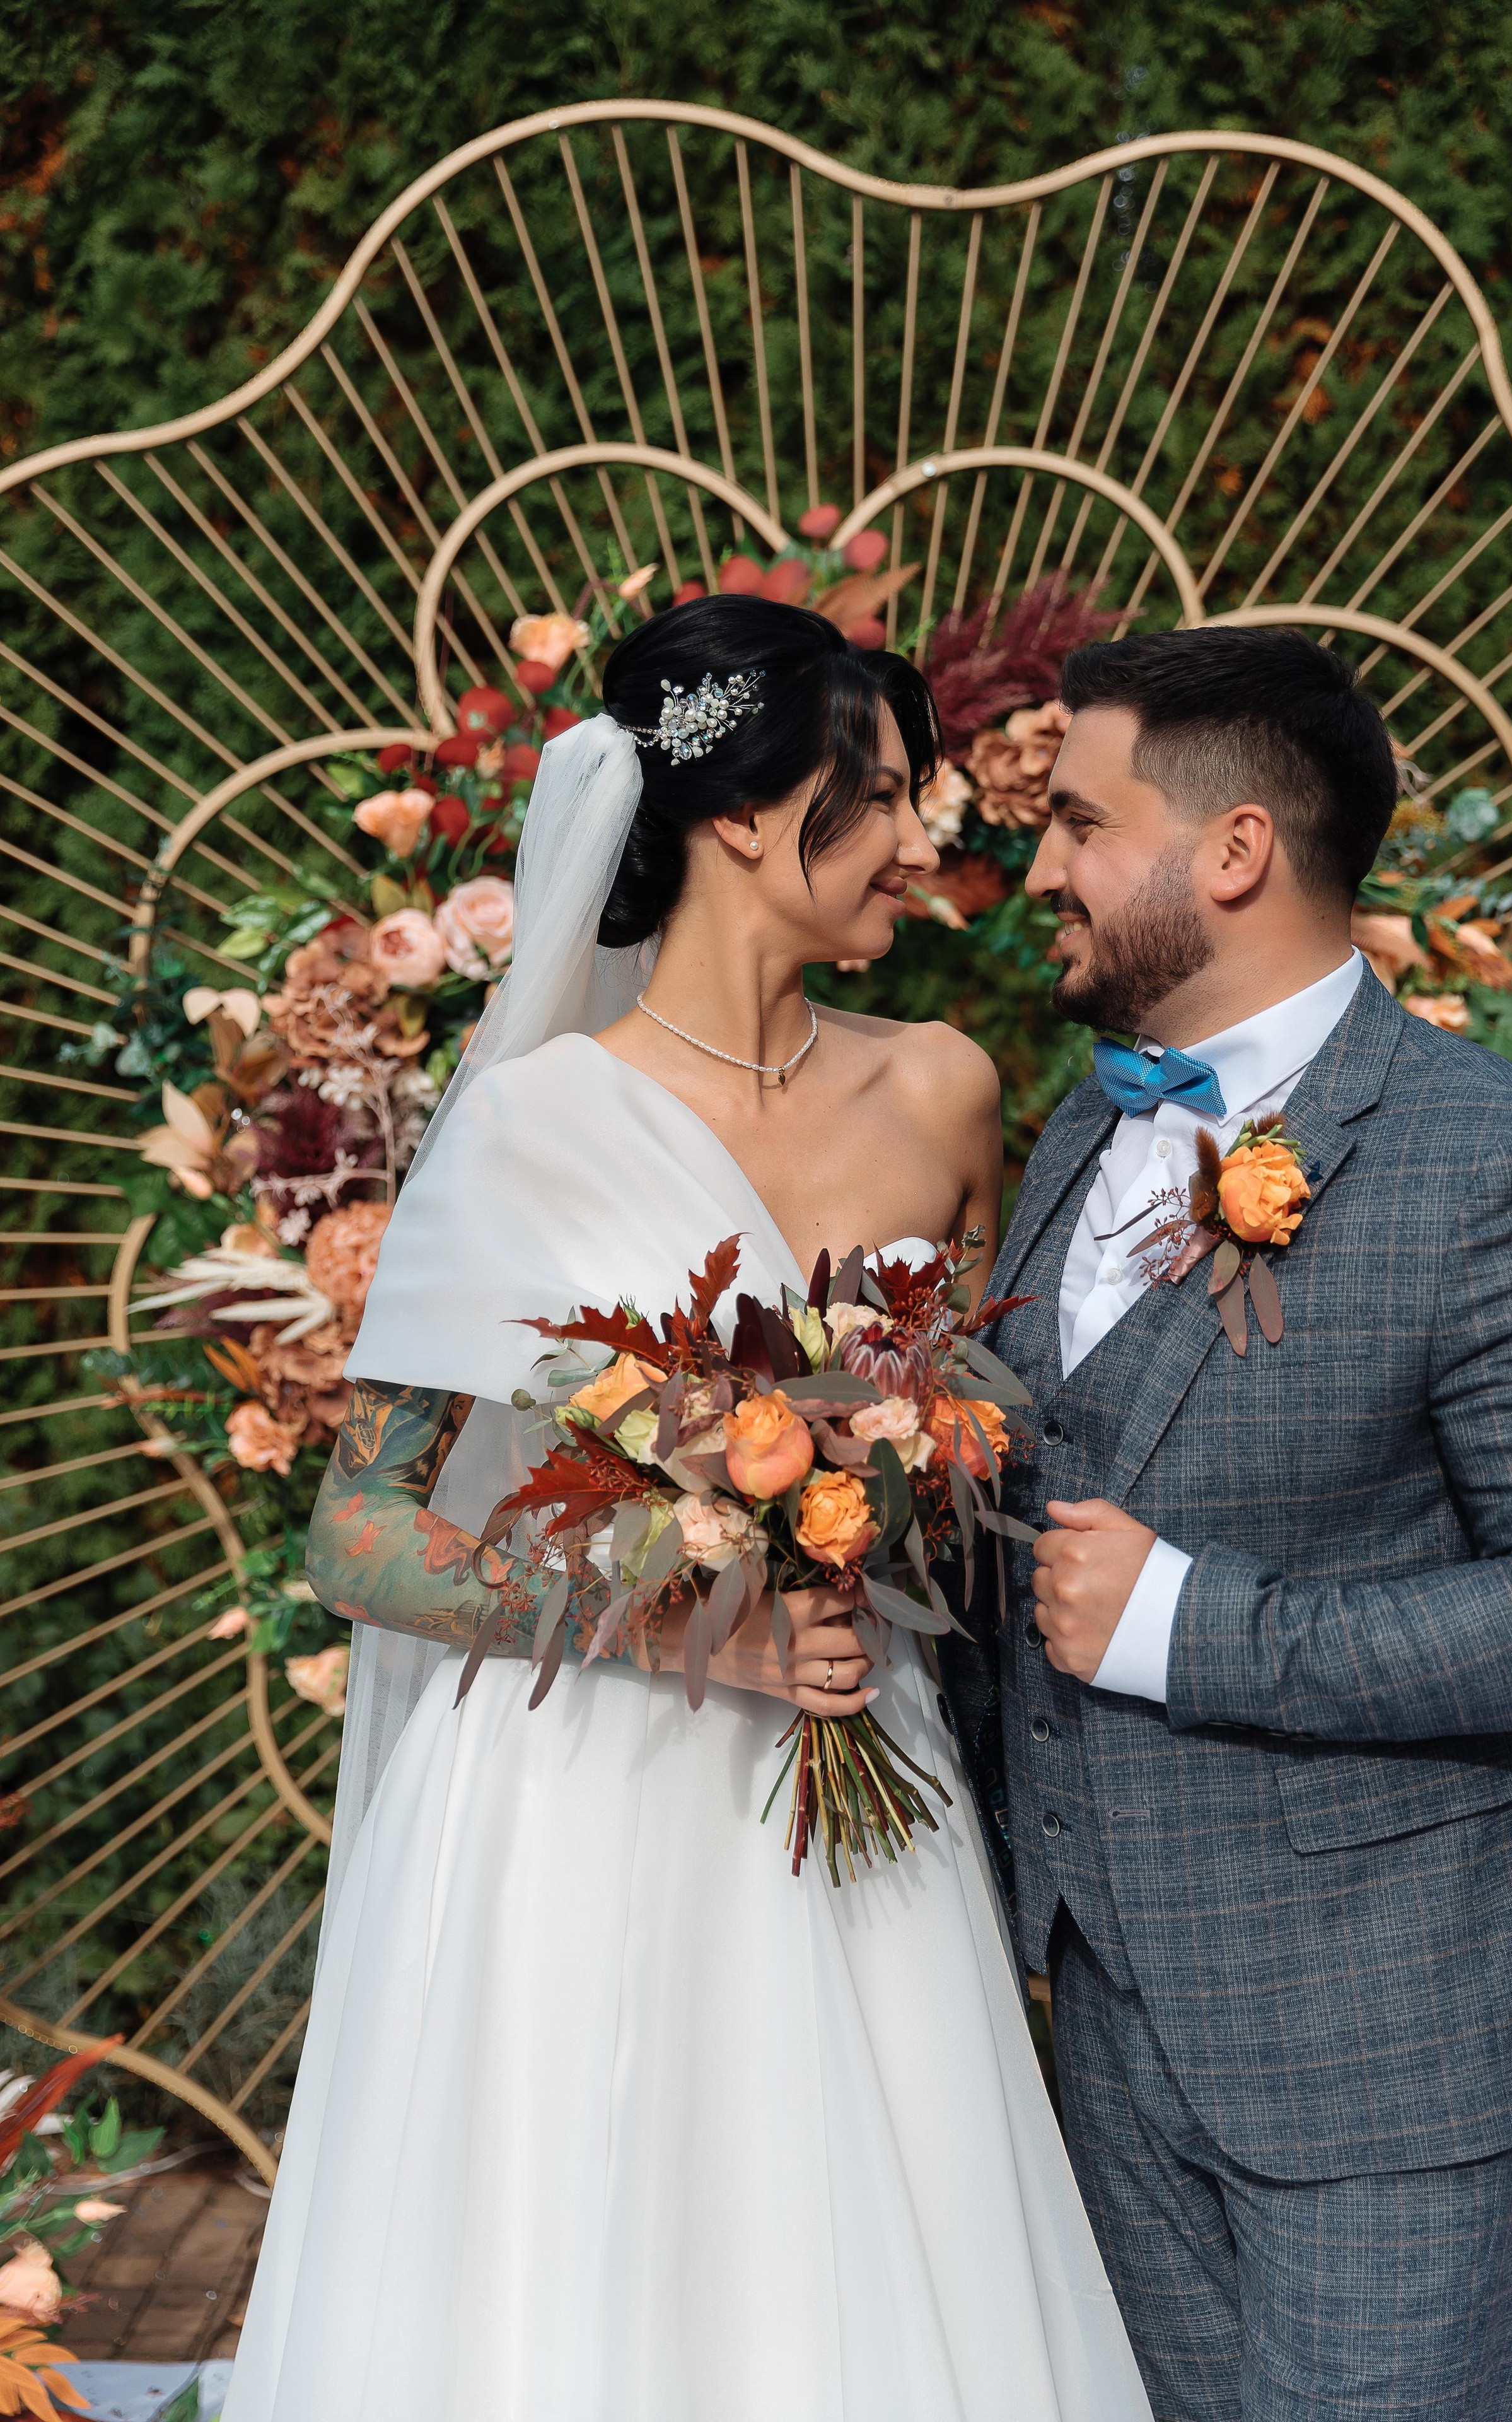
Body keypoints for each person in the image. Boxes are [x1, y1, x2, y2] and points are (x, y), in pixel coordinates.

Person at [224, 597, 1151, 2422]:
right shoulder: (530, 1126)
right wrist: (681, 1621)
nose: (921, 840)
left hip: (861, 1762)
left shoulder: (946, 1090)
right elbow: (360, 1533)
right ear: (741, 815)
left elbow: (985, 1444)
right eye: (875, 798)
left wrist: (884, 1512)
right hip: (575, 1801)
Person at [944, 625, 1512, 2422]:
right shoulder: (1090, 1124)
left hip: (1384, 2039)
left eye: (1081, 822)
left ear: (1232, 851)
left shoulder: (1495, 1159)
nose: (1044, 869)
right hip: (1100, 1997)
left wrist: (1189, 1625)